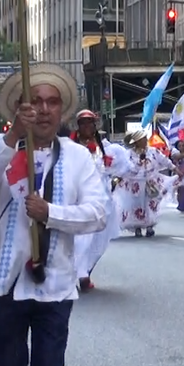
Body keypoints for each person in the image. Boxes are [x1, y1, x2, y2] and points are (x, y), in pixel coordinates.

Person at [0, 63, 107, 366]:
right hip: (5, 284)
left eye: (52, 102)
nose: (44, 109)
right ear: (20, 108)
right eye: (35, 101)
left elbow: (98, 213)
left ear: (62, 110)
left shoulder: (78, 157)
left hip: (55, 286)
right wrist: (14, 135)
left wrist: (52, 213)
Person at [70, 109, 126, 292]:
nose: (87, 126)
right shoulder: (71, 148)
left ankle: (85, 271)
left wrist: (114, 179)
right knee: (80, 239)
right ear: (78, 127)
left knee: (99, 239)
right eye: (83, 123)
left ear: (95, 126)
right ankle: (79, 275)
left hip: (102, 199)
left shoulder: (105, 148)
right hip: (80, 199)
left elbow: (117, 169)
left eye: (90, 123)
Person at [115, 129, 174, 237]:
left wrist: (174, 168)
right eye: (142, 139)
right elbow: (129, 168)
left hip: (150, 182)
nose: (145, 141)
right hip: (135, 184)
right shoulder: (129, 154)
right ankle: (137, 227)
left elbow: (164, 159)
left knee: (150, 204)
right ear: (136, 141)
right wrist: (139, 162)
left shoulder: (152, 151)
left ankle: (149, 226)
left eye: (145, 138)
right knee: (136, 205)